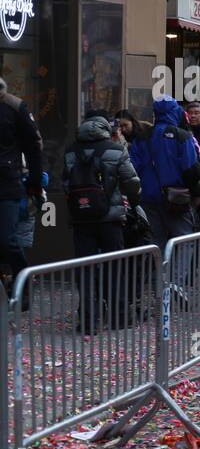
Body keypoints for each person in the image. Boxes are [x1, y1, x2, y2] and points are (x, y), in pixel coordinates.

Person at [64, 111, 142, 332]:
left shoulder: (70, 151)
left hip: (81, 220)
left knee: (85, 270)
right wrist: (132, 202)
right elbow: (132, 182)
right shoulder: (115, 150)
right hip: (111, 219)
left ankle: (89, 321)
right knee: (115, 267)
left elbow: (65, 183)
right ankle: (118, 318)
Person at [130, 96, 200, 247]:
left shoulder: (141, 137)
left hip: (148, 198)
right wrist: (196, 193)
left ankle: (158, 270)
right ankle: (176, 272)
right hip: (176, 198)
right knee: (183, 242)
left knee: (155, 242)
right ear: (175, 111)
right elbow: (191, 169)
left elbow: (133, 169)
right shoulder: (182, 136)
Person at [0, 77, 42, 293]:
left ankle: (23, 282)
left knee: (7, 239)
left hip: (7, 184)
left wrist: (34, 183)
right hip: (9, 179)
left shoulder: (14, 106)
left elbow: (34, 146)